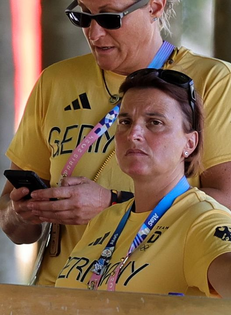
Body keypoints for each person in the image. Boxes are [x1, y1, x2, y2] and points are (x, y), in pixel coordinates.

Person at [0, 0, 231, 286]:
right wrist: (23, 211)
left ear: (155, 6)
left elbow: (225, 204)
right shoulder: (56, 82)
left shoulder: (212, 82)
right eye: (83, 16)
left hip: (151, 304)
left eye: (109, 18)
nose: (94, 33)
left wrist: (111, 204)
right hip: (58, 298)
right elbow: (10, 219)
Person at [55, 69, 231, 296]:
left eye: (155, 122)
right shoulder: (105, 219)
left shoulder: (201, 218)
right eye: (125, 121)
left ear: (189, 144)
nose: (133, 134)